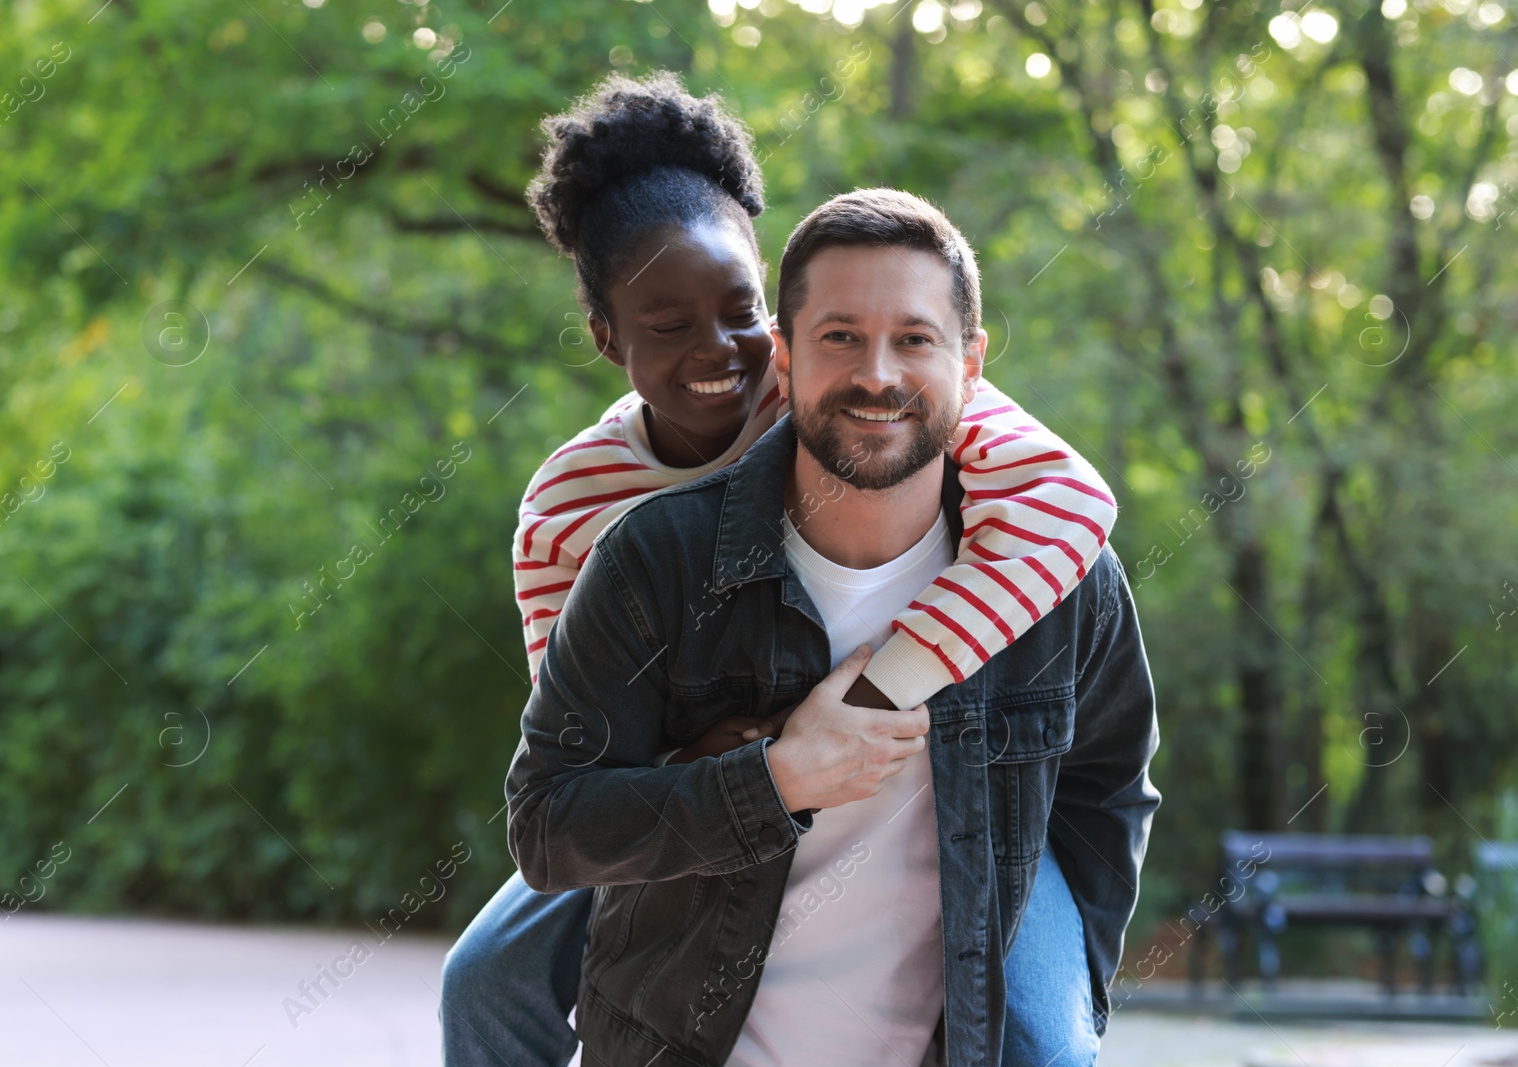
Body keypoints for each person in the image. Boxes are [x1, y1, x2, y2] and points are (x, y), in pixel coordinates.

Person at [441, 73, 1128, 1066]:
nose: (721, 351)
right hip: (694, 802)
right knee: (486, 977)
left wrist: (881, 684)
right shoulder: (571, 506)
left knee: (1033, 1032)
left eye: (740, 311)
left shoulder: (850, 394)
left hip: (920, 779)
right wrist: (740, 762)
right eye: (667, 325)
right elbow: (586, 745)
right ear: (605, 335)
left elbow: (1073, 504)